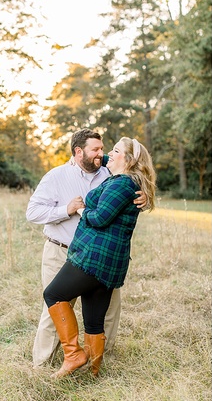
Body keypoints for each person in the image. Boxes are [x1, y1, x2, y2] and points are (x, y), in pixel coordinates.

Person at [26, 129, 146, 369]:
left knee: (109, 310)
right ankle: (43, 364)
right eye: (96, 150)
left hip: (98, 257)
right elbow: (32, 213)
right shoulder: (56, 176)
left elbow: (136, 169)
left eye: (104, 150)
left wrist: (146, 197)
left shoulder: (108, 171)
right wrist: (66, 210)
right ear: (78, 151)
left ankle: (98, 360)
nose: (101, 154)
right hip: (61, 251)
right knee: (56, 306)